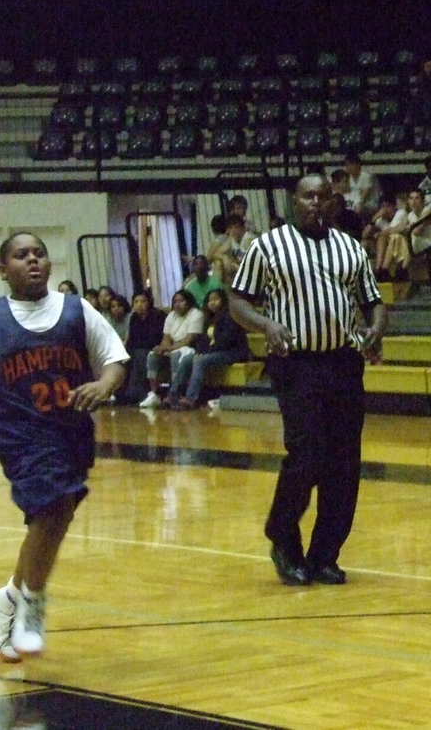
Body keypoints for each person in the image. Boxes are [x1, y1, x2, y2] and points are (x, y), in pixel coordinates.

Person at [228, 173, 386, 586]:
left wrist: (375, 329)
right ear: (293, 201)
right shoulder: (267, 246)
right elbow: (237, 300)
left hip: (344, 363)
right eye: (307, 196)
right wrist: (265, 324)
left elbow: (374, 301)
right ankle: (283, 535)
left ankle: (324, 555)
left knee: (344, 463)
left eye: (322, 196)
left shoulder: (350, 247)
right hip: (296, 364)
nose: (316, 202)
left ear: (332, 201)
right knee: (306, 454)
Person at [0, 232, 128, 661]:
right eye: (21, 255)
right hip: (21, 435)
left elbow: (114, 360)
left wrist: (104, 384)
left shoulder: (76, 310)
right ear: (4, 270)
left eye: (39, 253)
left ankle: (10, 597)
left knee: (55, 517)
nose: (33, 260)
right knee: (52, 507)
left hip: (71, 431)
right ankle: (33, 603)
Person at [170, 288, 252, 410]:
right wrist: (199, 351)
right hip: (214, 352)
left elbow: (226, 341)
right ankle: (173, 395)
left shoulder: (231, 316)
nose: (212, 302)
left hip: (233, 352)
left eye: (216, 299)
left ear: (223, 300)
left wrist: (205, 353)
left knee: (200, 360)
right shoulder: (208, 319)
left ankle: (190, 398)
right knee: (188, 359)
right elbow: (203, 341)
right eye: (210, 300)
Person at [140, 289, 204, 409]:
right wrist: (163, 349)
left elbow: (189, 340)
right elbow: (166, 338)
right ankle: (154, 394)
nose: (177, 304)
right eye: (175, 301)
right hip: (173, 347)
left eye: (181, 301)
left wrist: (169, 348)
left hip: (190, 349)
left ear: (189, 302)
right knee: (152, 355)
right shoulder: (171, 315)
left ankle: (176, 393)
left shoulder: (196, 314)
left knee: (175, 356)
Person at [117, 291, 165, 406]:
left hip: (154, 349)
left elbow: (156, 338)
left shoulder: (158, 315)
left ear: (149, 302)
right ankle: (119, 392)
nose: (139, 304)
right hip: (137, 349)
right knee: (124, 356)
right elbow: (132, 339)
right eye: (136, 302)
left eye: (143, 301)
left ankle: (136, 394)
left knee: (139, 355)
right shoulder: (134, 318)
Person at [343, 150, 378, 218]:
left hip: (368, 205)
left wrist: (357, 204)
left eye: (351, 164)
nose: (349, 168)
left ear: (358, 164)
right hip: (353, 204)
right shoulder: (347, 178)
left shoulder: (366, 176)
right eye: (347, 165)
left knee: (358, 207)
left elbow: (364, 196)